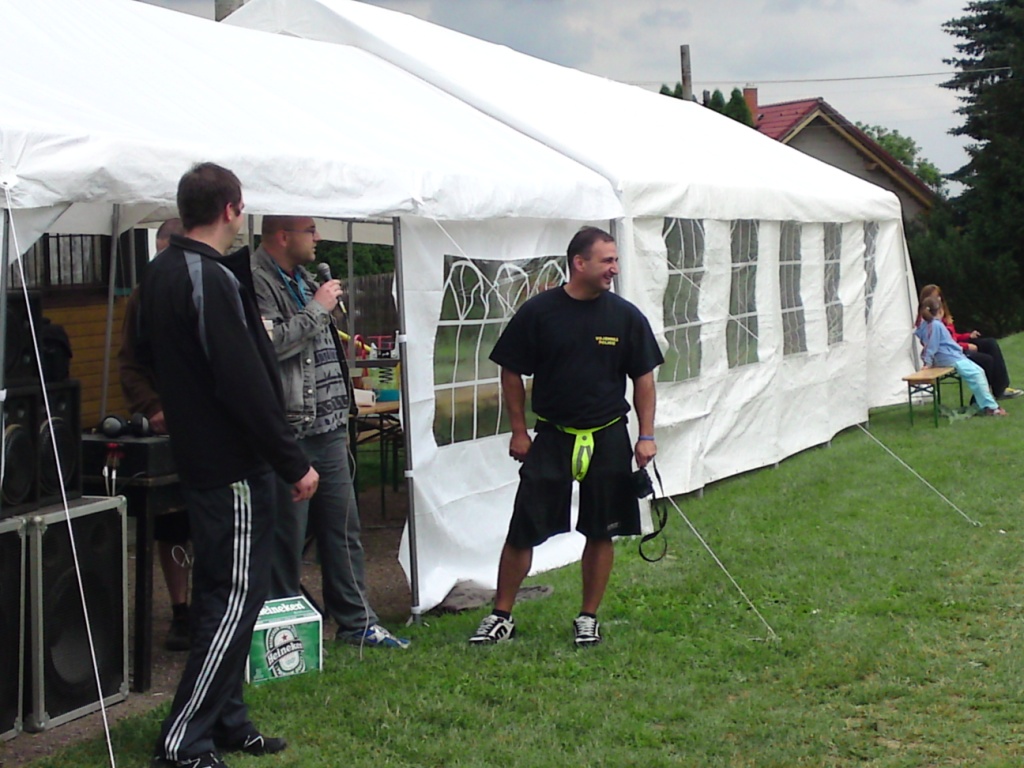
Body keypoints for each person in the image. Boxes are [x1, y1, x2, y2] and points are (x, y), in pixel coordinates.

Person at [138, 163, 319, 768]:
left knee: (230, 595)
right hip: (230, 466)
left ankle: (226, 720)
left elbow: (145, 354)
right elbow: (242, 382)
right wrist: (291, 461)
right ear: (232, 210)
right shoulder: (207, 277)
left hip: (211, 458)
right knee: (233, 596)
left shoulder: (163, 271)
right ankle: (184, 740)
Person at [469, 226, 664, 647]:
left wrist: (645, 435)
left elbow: (644, 378)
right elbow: (510, 370)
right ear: (579, 263)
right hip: (553, 436)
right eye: (607, 260)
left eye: (615, 260)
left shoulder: (625, 316)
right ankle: (501, 616)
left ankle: (587, 617)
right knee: (523, 527)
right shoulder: (540, 312)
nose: (615, 268)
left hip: (608, 436)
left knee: (601, 530)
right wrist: (518, 431)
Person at [252, 215, 409, 649]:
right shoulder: (256, 281)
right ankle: (286, 635)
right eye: (310, 230)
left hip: (330, 426)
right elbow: (269, 345)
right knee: (287, 538)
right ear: (283, 235)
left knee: (343, 530)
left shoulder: (303, 280)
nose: (318, 238)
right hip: (291, 429)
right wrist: (318, 308)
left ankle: (357, 622)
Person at [118, 217, 192, 652]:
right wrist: (152, 408)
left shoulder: (212, 286)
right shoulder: (142, 298)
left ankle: (217, 607)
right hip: (168, 429)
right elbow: (129, 363)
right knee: (172, 527)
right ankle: (181, 611)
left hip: (213, 429)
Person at [917, 284, 1022, 400]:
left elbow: (952, 336)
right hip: (951, 352)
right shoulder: (930, 322)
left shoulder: (941, 315)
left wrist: (967, 336)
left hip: (954, 347)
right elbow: (939, 343)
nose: (939, 299)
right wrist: (965, 346)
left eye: (939, 296)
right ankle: (980, 398)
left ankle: (1001, 389)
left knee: (990, 343)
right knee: (986, 360)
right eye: (935, 297)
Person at [916, 296, 1007, 417]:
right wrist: (927, 363)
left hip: (951, 356)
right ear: (940, 311)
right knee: (976, 374)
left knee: (979, 371)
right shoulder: (936, 325)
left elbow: (927, 341)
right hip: (949, 358)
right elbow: (931, 346)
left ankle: (984, 404)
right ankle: (991, 407)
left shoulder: (926, 325)